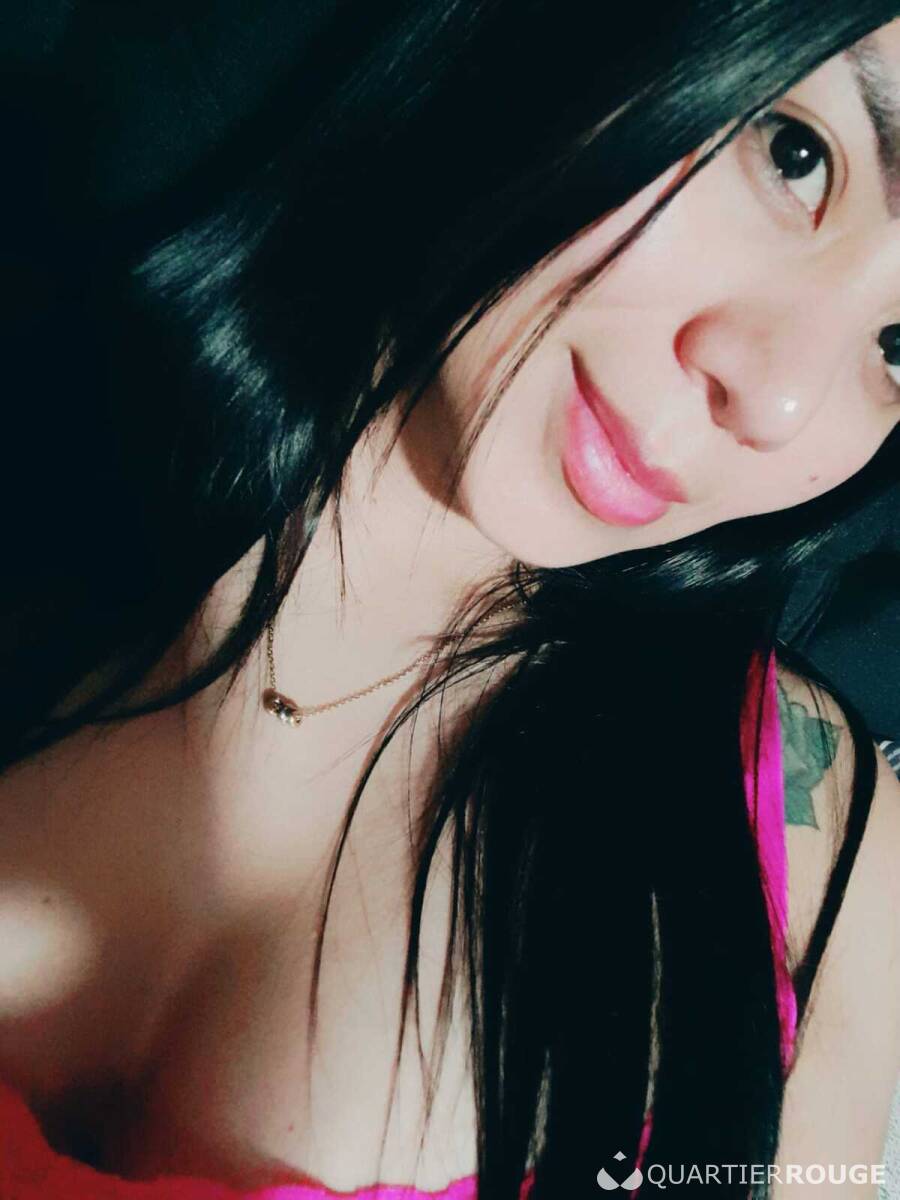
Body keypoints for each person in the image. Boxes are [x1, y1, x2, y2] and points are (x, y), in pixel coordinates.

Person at [1, 3, 900, 1197]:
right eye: (797, 155)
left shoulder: (819, 842)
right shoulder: (52, 403)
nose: (780, 400)